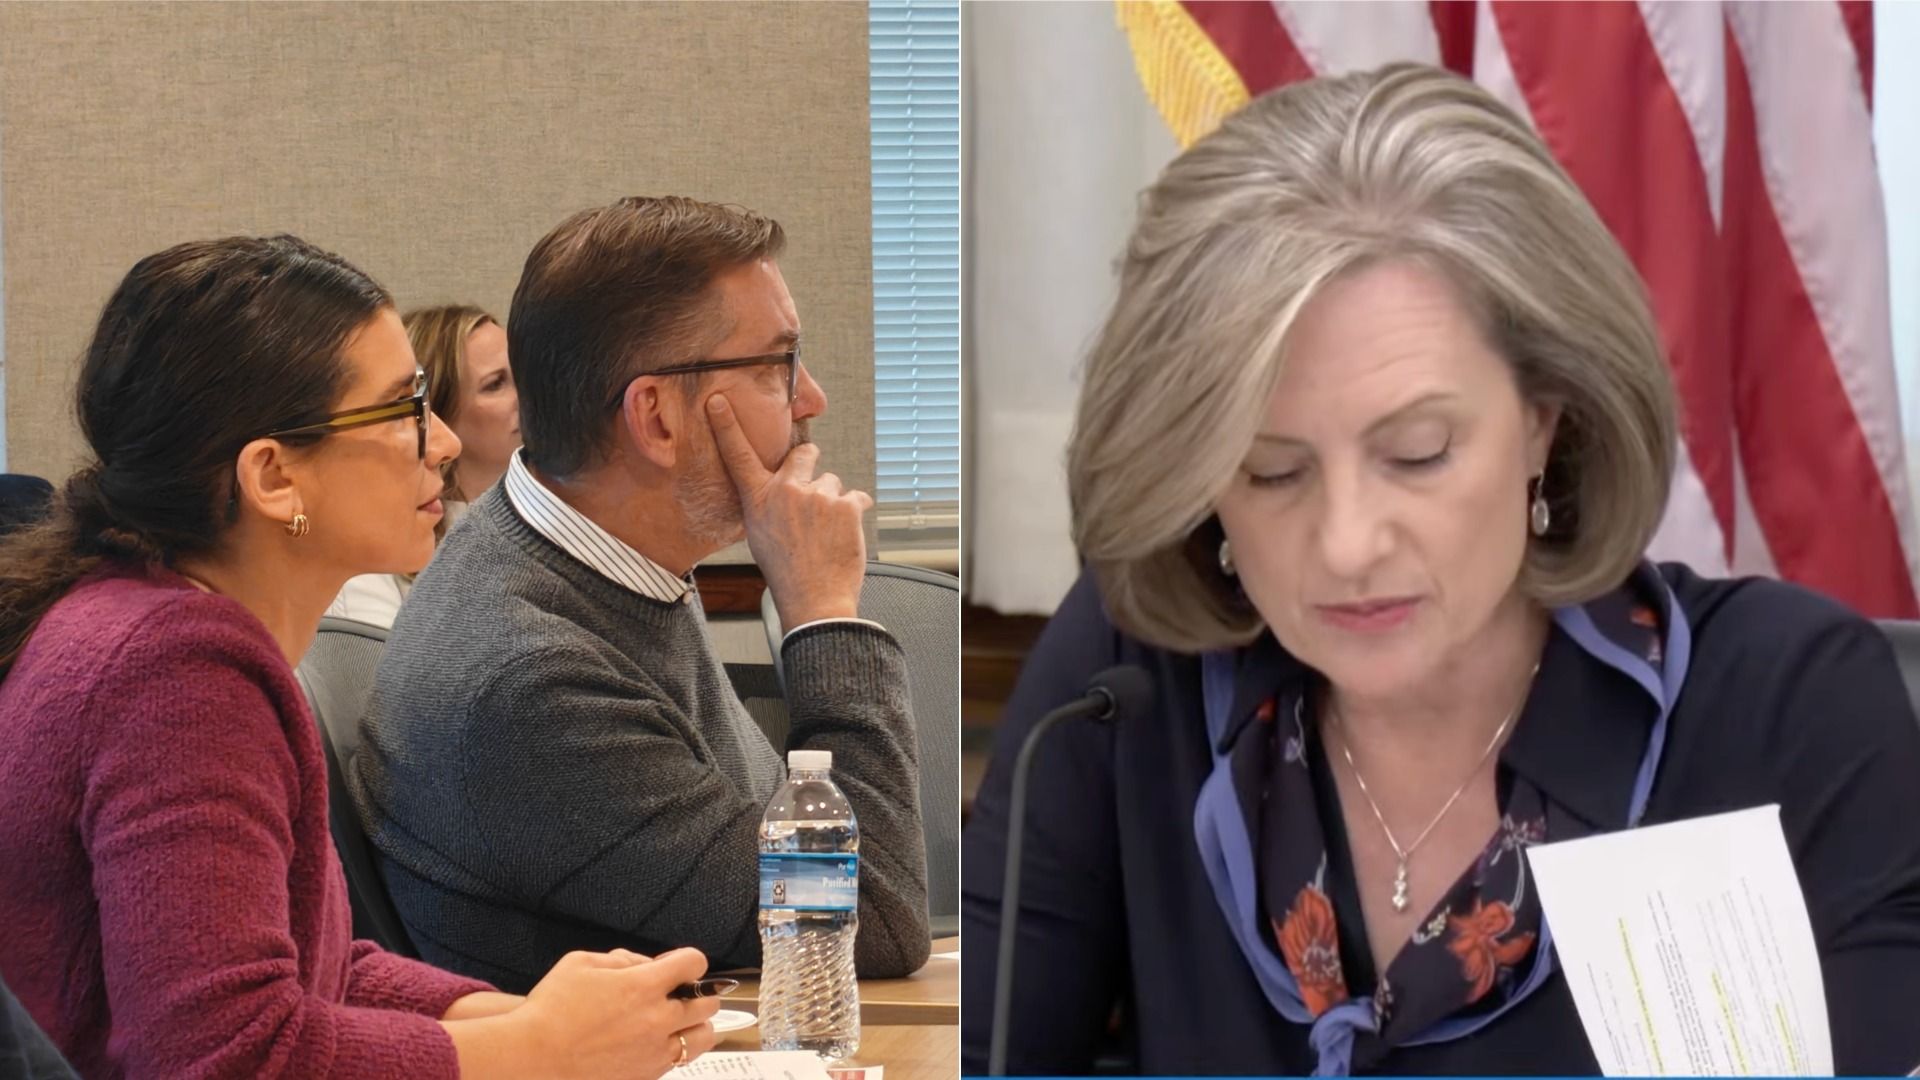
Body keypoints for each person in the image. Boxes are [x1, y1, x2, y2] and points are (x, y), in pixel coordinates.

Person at [961, 64, 1920, 1076]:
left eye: (1416, 453)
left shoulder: (1790, 710)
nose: (1347, 544)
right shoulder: (1131, 679)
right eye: (1273, 471)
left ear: (1545, 418)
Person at [0, 235, 719, 1079]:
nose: (444, 443)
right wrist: (536, 1049)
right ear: (274, 478)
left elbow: (318, 965)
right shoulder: (176, 674)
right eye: (404, 409)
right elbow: (224, 1057)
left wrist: (529, 1018)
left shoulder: (142, 623)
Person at [352, 196, 931, 994]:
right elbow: (871, 918)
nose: (810, 399)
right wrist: (823, 609)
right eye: (776, 364)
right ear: (655, 418)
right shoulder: (532, 682)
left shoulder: (605, 559)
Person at [329, 305, 518, 627]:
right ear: (437, 412)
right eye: (495, 383)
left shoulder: (555, 518)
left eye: (522, 373)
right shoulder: (374, 560)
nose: (527, 393)